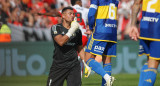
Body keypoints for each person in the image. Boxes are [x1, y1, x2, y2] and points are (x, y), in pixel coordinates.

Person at [47, 7, 85, 86]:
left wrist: (86, 62)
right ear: (63, 16)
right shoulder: (56, 28)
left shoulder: (77, 31)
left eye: (73, 14)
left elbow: (80, 48)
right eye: (70, 14)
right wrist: (72, 30)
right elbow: (61, 42)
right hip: (59, 66)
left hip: (74, 65)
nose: (73, 16)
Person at [84, 0, 119, 86]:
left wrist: (91, 27)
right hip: (112, 31)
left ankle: (107, 77)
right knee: (107, 61)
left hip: (100, 30)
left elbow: (91, 13)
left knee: (87, 59)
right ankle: (106, 83)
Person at [129, 0, 160, 86]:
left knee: (149, 62)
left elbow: (136, 4)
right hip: (157, 27)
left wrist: (133, 25)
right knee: (153, 64)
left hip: (145, 26)